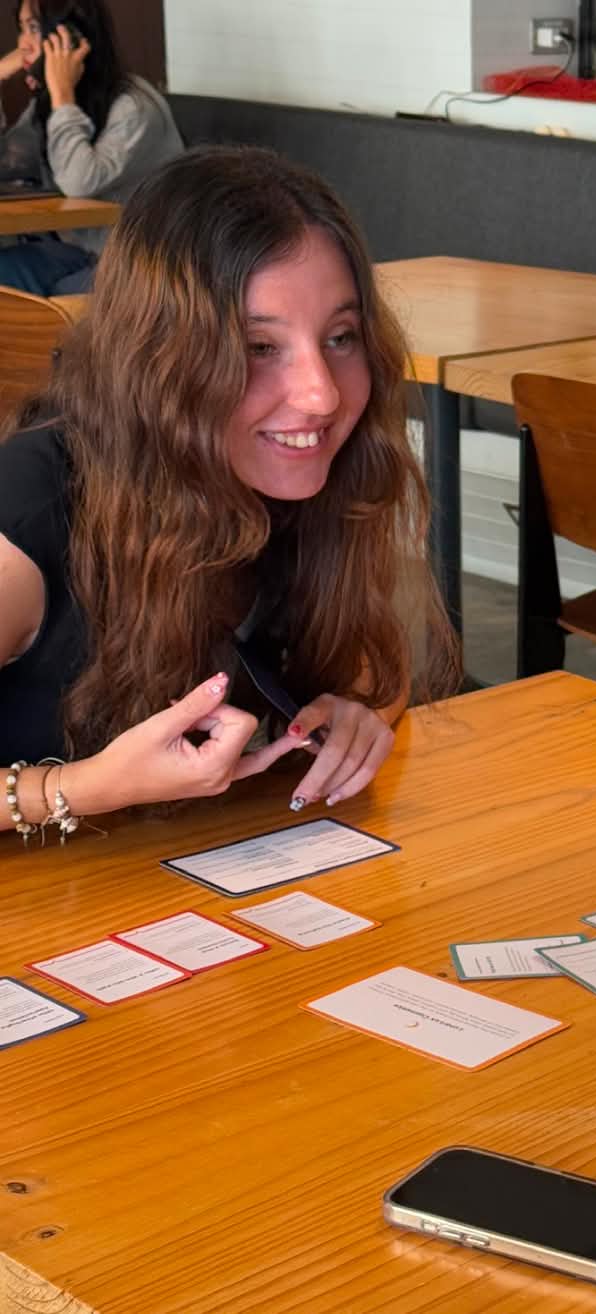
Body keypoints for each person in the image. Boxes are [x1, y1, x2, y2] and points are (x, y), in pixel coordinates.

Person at [0, 145, 456, 841]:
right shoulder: (30, 516)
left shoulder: (302, 479)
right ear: (158, 363)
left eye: (340, 337)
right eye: (257, 348)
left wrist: (360, 713)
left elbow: (368, 666)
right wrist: (80, 788)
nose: (321, 394)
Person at [0, 0, 182, 294]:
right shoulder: (50, 107)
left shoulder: (133, 107)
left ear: (70, 37)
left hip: (131, 263)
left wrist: (61, 94)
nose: (22, 44)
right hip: (72, 252)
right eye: (21, 29)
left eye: (33, 28)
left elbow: (79, 181)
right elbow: (5, 163)